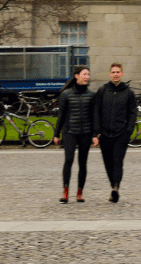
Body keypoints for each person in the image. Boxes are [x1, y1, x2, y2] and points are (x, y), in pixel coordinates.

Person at [94, 63, 137, 203]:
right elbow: (97, 112)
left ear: (122, 74)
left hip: (121, 134)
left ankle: (116, 187)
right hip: (105, 134)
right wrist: (97, 131)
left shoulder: (128, 93)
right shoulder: (102, 90)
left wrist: (128, 131)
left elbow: (132, 113)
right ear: (110, 74)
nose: (116, 74)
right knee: (108, 163)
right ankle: (113, 186)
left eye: (118, 72)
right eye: (113, 72)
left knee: (118, 162)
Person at [54, 66, 98, 204]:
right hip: (70, 132)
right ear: (77, 76)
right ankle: (65, 191)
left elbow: (94, 116)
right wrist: (56, 134)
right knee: (69, 160)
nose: (87, 77)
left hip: (86, 132)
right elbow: (61, 116)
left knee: (82, 163)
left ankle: (80, 192)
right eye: (84, 74)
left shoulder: (92, 94)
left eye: (88, 74)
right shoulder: (66, 94)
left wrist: (95, 134)